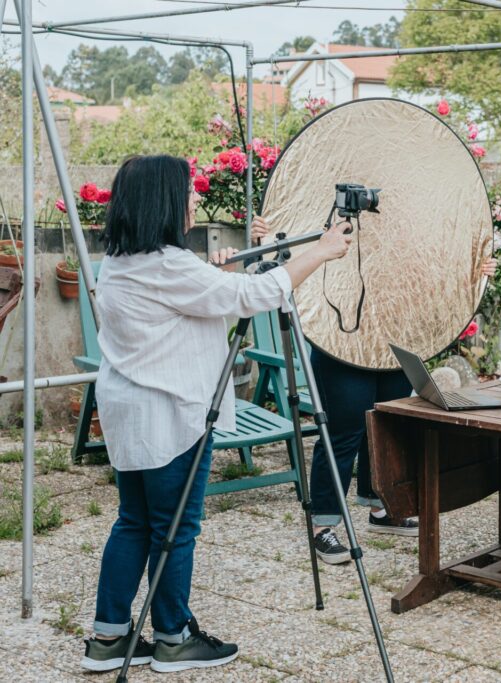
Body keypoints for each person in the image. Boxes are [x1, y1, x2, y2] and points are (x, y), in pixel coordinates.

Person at [81, 155, 353, 673]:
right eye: (186, 194)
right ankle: (174, 638)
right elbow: (258, 294)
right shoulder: (167, 264)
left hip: (131, 411)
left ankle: (108, 638)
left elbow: (195, 303)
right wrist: (318, 252)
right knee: (176, 529)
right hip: (172, 413)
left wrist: (219, 273)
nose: (193, 201)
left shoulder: (121, 260)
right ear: (162, 201)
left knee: (135, 522)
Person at [309, 257, 498, 564]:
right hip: (340, 338)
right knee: (343, 432)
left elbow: (430, 264)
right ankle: (323, 526)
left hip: (393, 334)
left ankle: (380, 509)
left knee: (385, 426)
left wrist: (471, 270)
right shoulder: (336, 218)